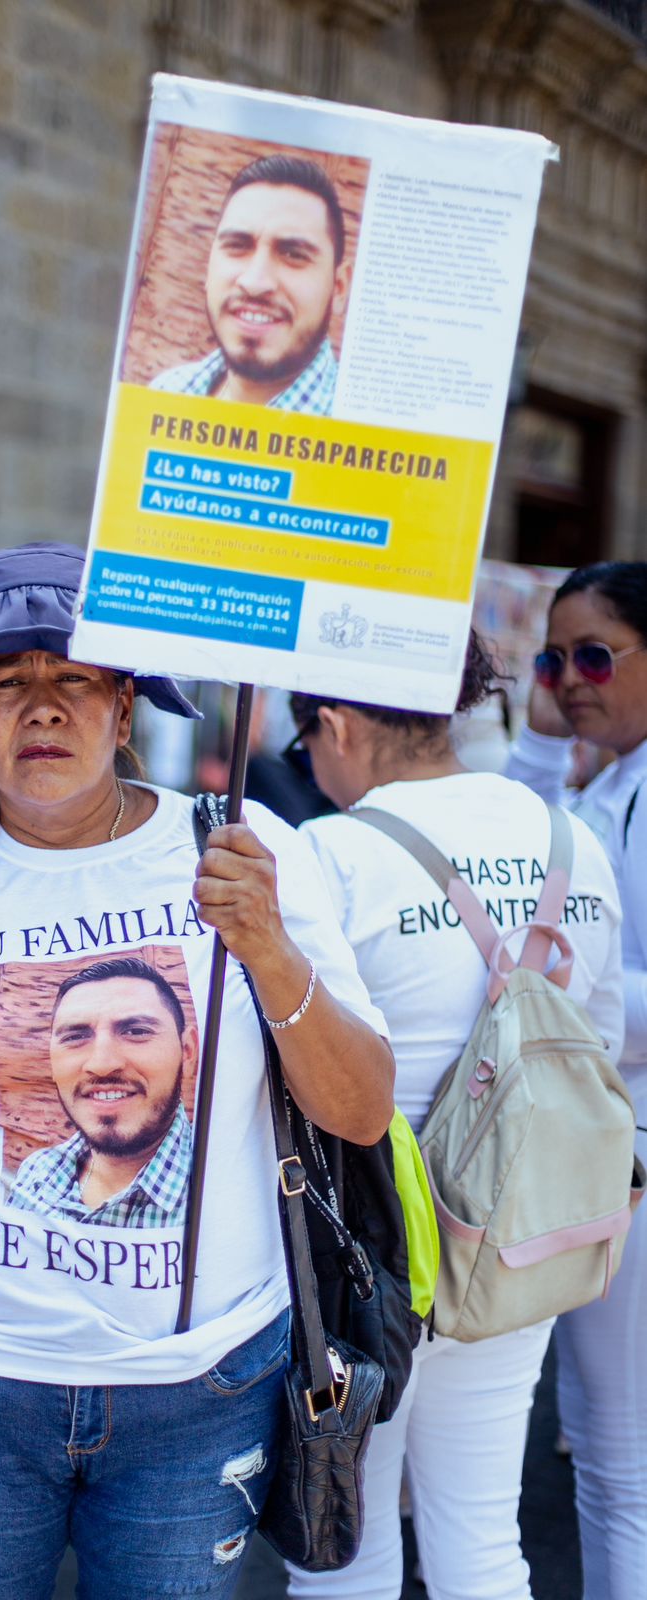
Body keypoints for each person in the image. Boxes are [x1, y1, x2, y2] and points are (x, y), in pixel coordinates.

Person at [0, 539, 393, 1600]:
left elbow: (363, 1106)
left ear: (124, 709)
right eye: (7, 684)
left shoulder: (246, 854)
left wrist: (270, 950)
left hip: (196, 1394)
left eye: (74, 678)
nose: (44, 706)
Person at [281, 631, 624, 1600]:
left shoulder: (331, 852)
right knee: (479, 1532)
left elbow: (296, 1062)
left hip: (368, 1249)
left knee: (342, 1536)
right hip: (520, 1232)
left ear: (336, 724)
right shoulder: (569, 837)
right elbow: (590, 1040)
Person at [505, 561, 647, 1600]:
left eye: (593, 654)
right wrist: (545, 734)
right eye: (552, 659)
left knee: (618, 1451)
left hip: (625, 1140)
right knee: (600, 1441)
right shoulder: (607, 779)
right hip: (598, 1139)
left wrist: (564, 995)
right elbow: (509, 847)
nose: (569, 677)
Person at [149, 154, 350, 415]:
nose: (255, 283)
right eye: (237, 246)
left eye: (293, 255)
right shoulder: (167, 393)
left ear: (339, 288)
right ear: (209, 268)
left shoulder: (363, 428)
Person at [8, 955, 198, 1227]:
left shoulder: (224, 1185)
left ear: (188, 1053)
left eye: (136, 1031)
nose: (102, 1065)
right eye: (75, 1037)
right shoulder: (37, 1175)